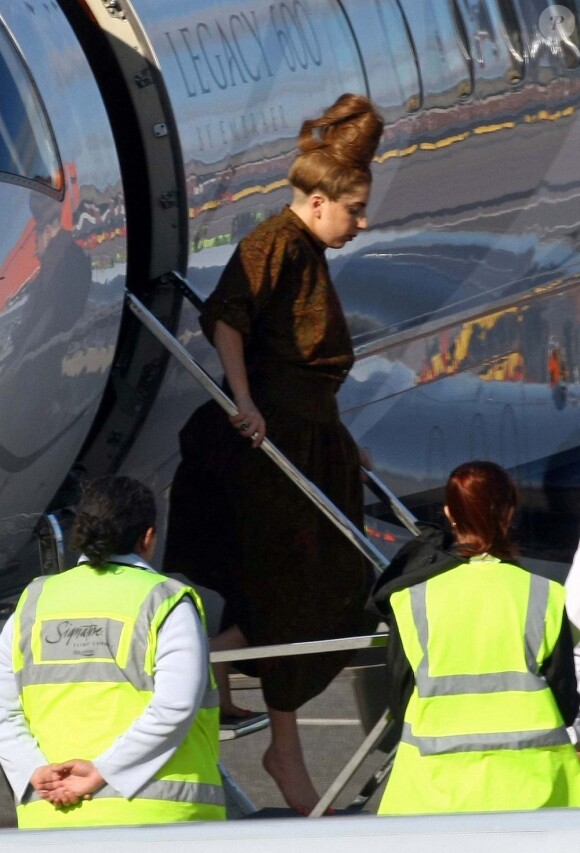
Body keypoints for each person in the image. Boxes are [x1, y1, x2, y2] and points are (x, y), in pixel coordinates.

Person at [163, 93, 384, 813]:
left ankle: (251, 707)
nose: (362, 223)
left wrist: (345, 441)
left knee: (319, 585)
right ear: (318, 203)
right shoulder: (276, 242)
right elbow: (227, 319)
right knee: (300, 586)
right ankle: (229, 684)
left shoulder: (306, 248)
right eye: (354, 210)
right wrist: (244, 401)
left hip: (313, 436)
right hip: (277, 439)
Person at [0, 476, 225, 828]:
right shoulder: (165, 600)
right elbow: (174, 706)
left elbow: (4, 710)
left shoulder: (32, 604)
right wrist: (104, 771)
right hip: (160, 819)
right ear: (147, 537)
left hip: (50, 820)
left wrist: (35, 770)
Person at [373, 460, 580, 815]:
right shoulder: (543, 595)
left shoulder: (411, 599)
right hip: (533, 788)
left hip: (433, 789)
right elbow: (565, 700)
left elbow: (399, 699)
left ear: (449, 514)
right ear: (510, 512)